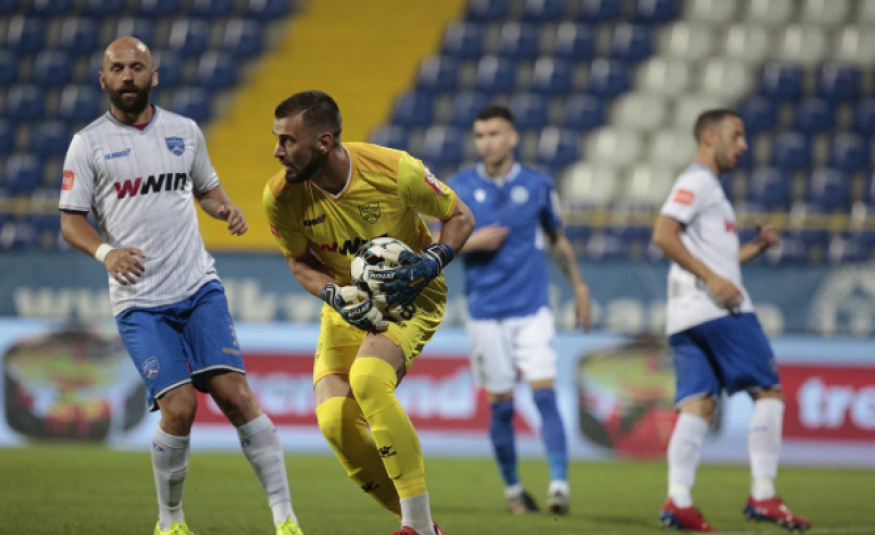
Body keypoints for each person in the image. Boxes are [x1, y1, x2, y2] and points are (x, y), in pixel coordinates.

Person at [59, 37, 302, 535]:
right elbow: (70, 221)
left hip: (197, 287)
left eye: (137, 67)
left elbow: (206, 188)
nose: (128, 76)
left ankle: (286, 520)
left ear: (154, 75)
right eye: (118, 69)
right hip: (140, 302)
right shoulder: (87, 144)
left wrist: (224, 208)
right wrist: (107, 253)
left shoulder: (185, 132)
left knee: (237, 397)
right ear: (103, 80)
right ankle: (169, 522)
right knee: (181, 407)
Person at [262, 90, 475, 535]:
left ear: (323, 142)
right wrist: (334, 294)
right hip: (347, 302)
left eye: (287, 140)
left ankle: (415, 528)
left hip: (411, 293)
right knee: (335, 423)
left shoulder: (393, 169)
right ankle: (425, 527)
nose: (277, 151)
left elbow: (460, 216)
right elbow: (299, 262)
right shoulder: (280, 196)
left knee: (368, 380)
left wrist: (432, 260)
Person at [652, 109, 811, 532]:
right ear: (709, 136)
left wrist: (752, 249)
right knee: (769, 392)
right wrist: (713, 279)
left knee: (698, 406)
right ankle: (763, 494)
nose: (744, 145)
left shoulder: (711, 191)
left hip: (686, 315)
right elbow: (663, 233)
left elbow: (715, 262)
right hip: (718, 311)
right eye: (736, 135)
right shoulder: (698, 181)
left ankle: (679, 500)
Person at [438, 105, 591, 515]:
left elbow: (557, 238)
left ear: (513, 137)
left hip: (532, 308)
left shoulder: (539, 185)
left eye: (494, 134)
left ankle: (559, 487)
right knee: (502, 406)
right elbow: (437, 245)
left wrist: (578, 285)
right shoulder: (459, 186)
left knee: (545, 396)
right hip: (485, 312)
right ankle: (513, 491)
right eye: (480, 135)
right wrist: (472, 242)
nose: (486, 142)